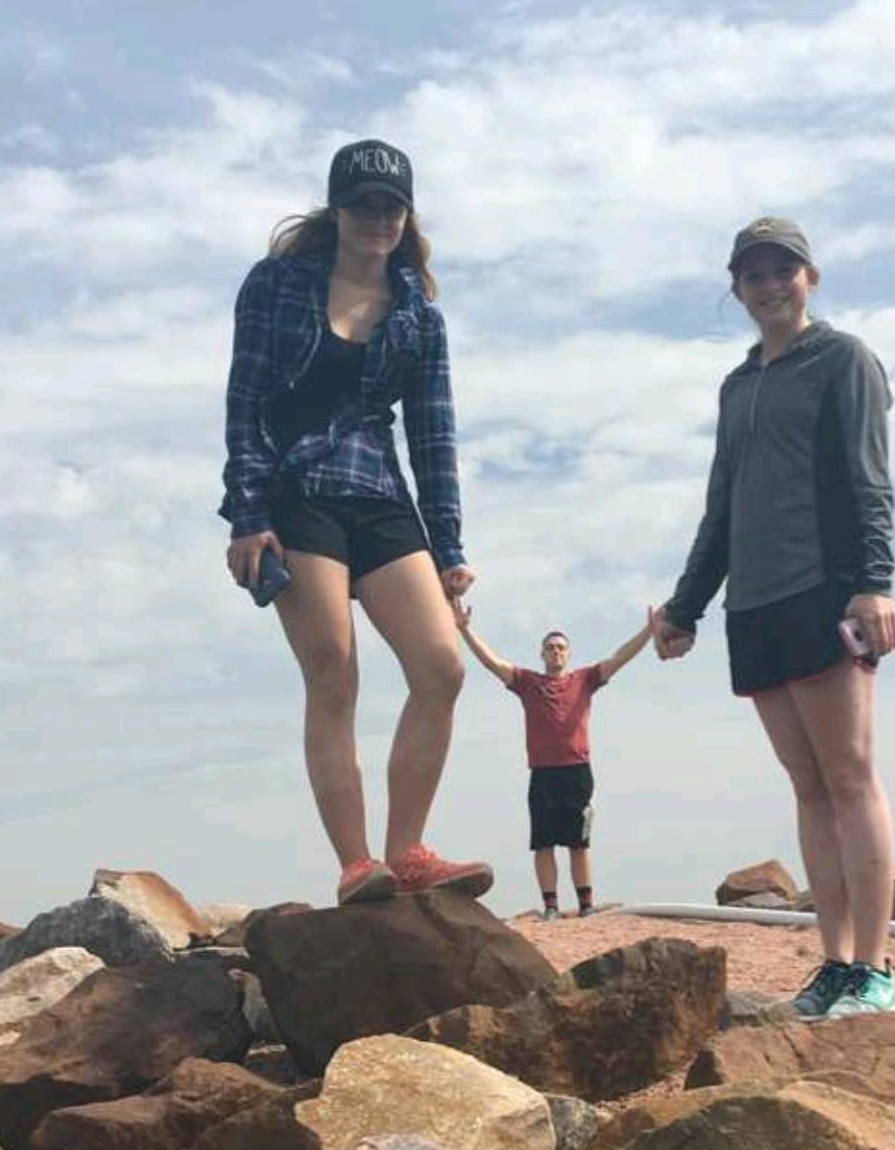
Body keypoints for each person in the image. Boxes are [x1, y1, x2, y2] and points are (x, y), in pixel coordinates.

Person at [219, 138, 491, 905]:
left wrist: (448, 548)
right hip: (295, 490)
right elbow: (244, 404)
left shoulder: (417, 317)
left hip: (379, 493)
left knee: (442, 666)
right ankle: (355, 864)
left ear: (406, 216)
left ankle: (407, 851)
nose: (378, 218)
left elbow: (434, 436)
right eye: (364, 204)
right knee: (333, 667)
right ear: (337, 210)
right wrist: (248, 514)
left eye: (391, 206)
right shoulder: (276, 285)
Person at [652, 216, 895, 1018]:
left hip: (823, 590)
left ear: (811, 276)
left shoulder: (843, 360)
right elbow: (721, 506)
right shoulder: (738, 386)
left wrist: (874, 582)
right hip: (753, 605)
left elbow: (870, 477)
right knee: (807, 784)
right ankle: (834, 962)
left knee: (850, 774)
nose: (770, 286)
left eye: (783, 270)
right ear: (737, 289)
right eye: (754, 275)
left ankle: (874, 966)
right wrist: (685, 607)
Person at [454, 605, 653, 918]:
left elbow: (619, 657)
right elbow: (493, 662)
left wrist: (648, 632)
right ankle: (551, 906)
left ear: (568, 654)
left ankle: (586, 905)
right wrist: (464, 629)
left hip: (577, 772)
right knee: (543, 843)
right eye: (550, 648)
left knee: (578, 843)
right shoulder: (527, 682)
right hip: (543, 774)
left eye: (560, 648)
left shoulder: (585, 679)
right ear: (542, 654)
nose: (555, 652)